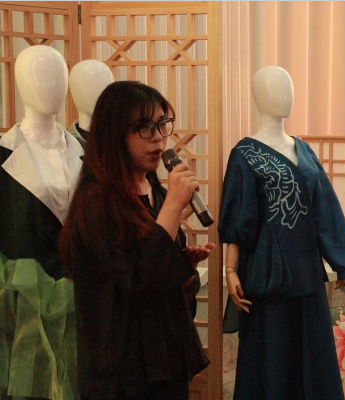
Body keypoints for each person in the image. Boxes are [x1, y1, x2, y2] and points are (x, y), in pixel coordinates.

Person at [59, 81, 211, 400]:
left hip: (163, 363)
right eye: (143, 127)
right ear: (114, 135)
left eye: (161, 124)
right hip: (120, 373)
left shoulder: (156, 193)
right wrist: (174, 206)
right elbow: (137, 278)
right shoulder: (96, 201)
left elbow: (159, 280)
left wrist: (184, 270)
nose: (157, 137)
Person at [219, 66, 345, 400]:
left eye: (288, 87)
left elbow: (325, 207)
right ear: (257, 96)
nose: (286, 95)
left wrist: (344, 262)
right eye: (276, 87)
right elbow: (238, 216)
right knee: (273, 355)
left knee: (313, 353)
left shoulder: (303, 149)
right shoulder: (245, 153)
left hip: (307, 270)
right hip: (269, 272)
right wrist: (230, 268)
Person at [0, 44, 82, 399]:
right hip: (20, 300)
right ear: (19, 83)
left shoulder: (87, 153)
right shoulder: (3, 153)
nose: (51, 86)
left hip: (82, 292)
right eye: (38, 77)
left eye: (58, 77)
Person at [68, 59, 114, 141]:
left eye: (104, 86)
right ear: (75, 90)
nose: (99, 93)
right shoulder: (65, 144)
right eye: (88, 86)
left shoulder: (121, 139)